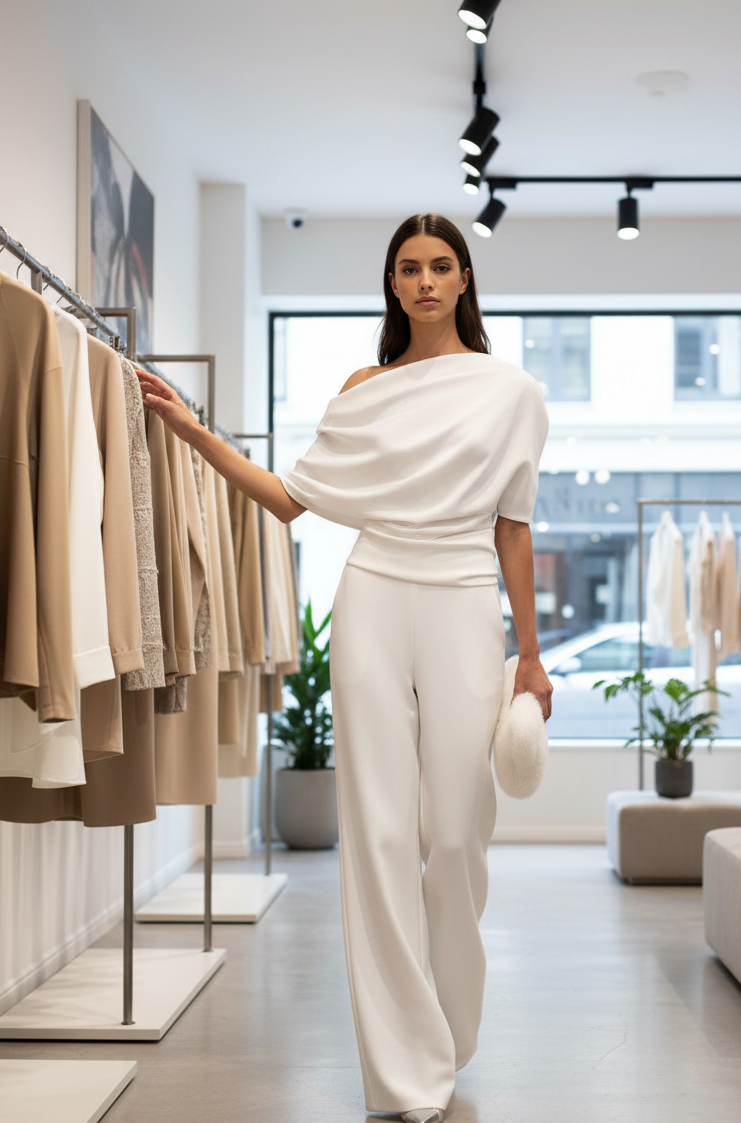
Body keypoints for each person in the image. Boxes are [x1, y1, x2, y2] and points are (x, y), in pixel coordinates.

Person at [138, 213, 552, 1123]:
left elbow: (513, 528)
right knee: (375, 836)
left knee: (455, 833)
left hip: (461, 595)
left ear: (466, 278)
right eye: (410, 268)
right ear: (394, 286)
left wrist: (530, 653)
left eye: (442, 265)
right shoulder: (365, 387)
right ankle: (404, 1074)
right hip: (372, 590)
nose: (426, 281)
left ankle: (447, 1024)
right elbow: (290, 501)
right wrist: (191, 431)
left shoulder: (514, 391)